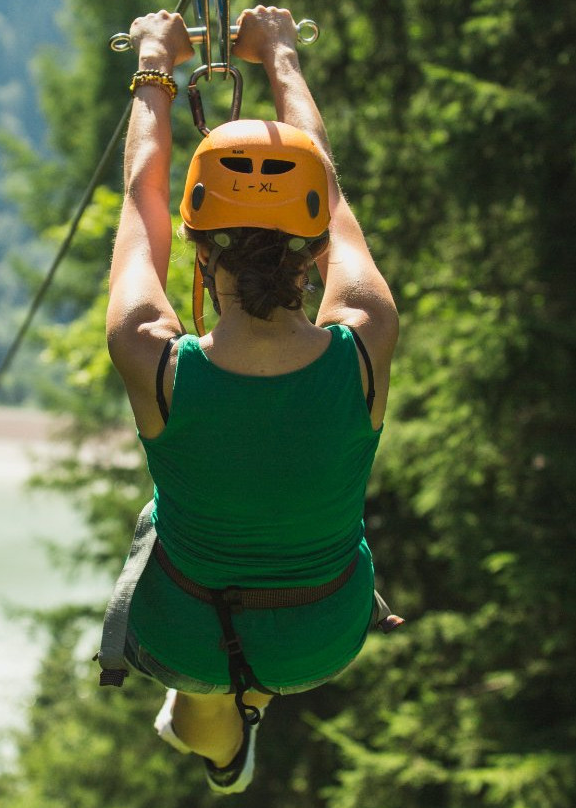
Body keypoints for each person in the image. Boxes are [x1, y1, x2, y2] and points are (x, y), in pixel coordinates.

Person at [99, 5, 400, 795]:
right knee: (246, 654)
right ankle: (241, 696)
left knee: (191, 625)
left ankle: (219, 716)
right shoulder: (365, 341)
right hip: (326, 634)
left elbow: (142, 203)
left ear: (200, 248)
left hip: (182, 626)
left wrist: (156, 67)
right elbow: (327, 193)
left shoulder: (150, 355)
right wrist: (281, 60)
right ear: (311, 250)